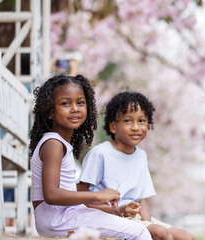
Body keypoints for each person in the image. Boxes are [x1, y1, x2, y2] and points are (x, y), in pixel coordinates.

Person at [29, 75, 152, 239]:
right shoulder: (54, 144)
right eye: (65, 103)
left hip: (62, 217)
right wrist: (98, 195)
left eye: (80, 102)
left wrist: (115, 210)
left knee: (120, 219)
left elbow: (69, 199)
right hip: (57, 220)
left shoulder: (58, 143)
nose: (75, 108)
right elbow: (51, 195)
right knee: (139, 231)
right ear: (50, 112)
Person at [77, 91, 195, 240]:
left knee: (186, 237)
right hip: (109, 217)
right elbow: (80, 197)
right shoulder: (100, 153)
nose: (136, 127)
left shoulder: (141, 156)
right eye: (128, 121)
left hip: (136, 218)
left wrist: (147, 225)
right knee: (162, 234)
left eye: (141, 121)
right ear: (113, 127)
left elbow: (142, 200)